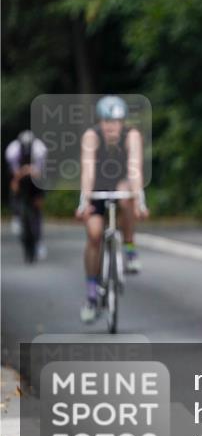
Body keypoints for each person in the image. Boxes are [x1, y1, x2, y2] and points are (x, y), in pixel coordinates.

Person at [75, 96, 149, 322]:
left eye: (116, 121)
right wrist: (84, 202)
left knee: (126, 195)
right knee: (95, 235)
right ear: (101, 122)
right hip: (97, 188)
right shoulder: (91, 136)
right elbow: (87, 171)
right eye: (107, 122)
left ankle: (129, 247)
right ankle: (91, 293)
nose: (111, 127)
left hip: (121, 185)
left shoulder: (132, 136)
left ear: (123, 122)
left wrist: (140, 199)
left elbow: (134, 168)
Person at [5, 130, 48, 260]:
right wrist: (19, 176)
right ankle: (16, 215)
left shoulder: (40, 149)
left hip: (36, 179)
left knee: (38, 208)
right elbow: (14, 172)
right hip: (20, 176)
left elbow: (39, 173)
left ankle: (39, 241)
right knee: (13, 187)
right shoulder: (12, 151)